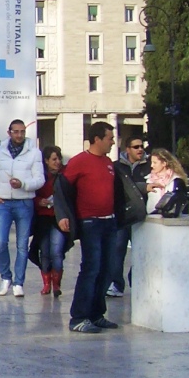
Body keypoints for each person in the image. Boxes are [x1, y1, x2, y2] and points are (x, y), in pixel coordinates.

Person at [55, 121, 119, 334]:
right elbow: (61, 188)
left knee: (106, 269)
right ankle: (79, 317)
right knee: (91, 268)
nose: (112, 142)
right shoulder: (79, 162)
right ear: (97, 139)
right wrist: (63, 215)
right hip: (90, 223)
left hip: (109, 221)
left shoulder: (109, 162)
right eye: (109, 138)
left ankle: (96, 314)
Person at [0, 119, 44, 297]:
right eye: (16, 131)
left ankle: (19, 282)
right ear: (9, 132)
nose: (19, 135)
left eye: (22, 131)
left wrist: (23, 184)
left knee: (22, 245)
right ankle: (6, 277)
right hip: (3, 203)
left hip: (24, 202)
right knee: (0, 242)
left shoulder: (34, 153)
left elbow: (39, 179)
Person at [107, 135, 151, 297]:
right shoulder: (116, 167)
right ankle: (116, 284)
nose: (140, 149)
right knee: (118, 249)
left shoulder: (149, 166)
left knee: (140, 249)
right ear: (128, 149)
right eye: (136, 147)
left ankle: (136, 280)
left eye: (141, 147)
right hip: (122, 214)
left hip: (140, 215)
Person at [29, 145, 68, 297]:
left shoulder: (64, 176)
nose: (57, 162)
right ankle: (46, 283)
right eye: (54, 159)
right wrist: (39, 201)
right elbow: (32, 194)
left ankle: (56, 283)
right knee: (44, 252)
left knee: (57, 251)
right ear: (46, 161)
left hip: (59, 218)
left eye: (59, 159)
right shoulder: (40, 177)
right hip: (43, 218)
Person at [145, 148, 189, 214]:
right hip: (151, 219)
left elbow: (183, 202)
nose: (151, 165)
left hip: (171, 220)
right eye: (151, 162)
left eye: (155, 163)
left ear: (164, 163)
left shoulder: (177, 181)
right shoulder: (148, 180)